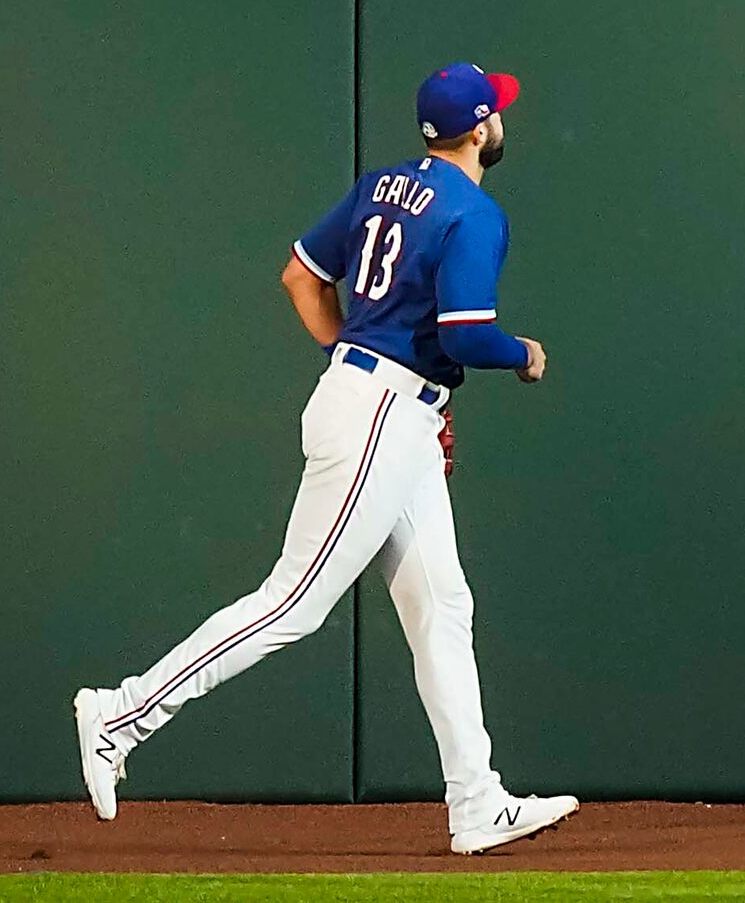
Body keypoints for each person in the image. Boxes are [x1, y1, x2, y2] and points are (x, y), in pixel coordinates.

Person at [72, 63, 579, 856]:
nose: (503, 122)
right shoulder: (474, 214)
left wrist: (358, 365)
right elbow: (464, 334)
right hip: (381, 413)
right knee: (293, 603)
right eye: (498, 111)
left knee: (442, 607)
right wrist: (522, 355)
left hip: (383, 408)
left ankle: (475, 801)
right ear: (479, 128)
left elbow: (300, 277)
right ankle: (122, 714)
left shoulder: (383, 187)